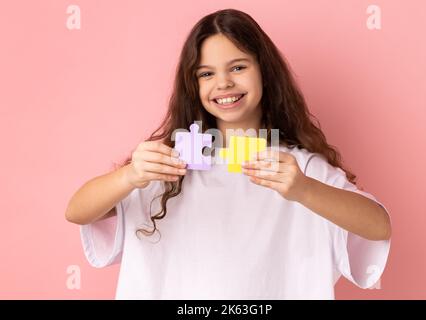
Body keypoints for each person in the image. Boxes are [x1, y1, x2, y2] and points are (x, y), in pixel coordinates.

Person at [65, 8, 391, 299]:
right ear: (193, 86)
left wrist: (305, 189)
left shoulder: (296, 168)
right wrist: (129, 176)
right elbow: (78, 211)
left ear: (264, 71)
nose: (223, 83)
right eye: (206, 73)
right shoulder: (166, 162)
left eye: (237, 67)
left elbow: (378, 226)